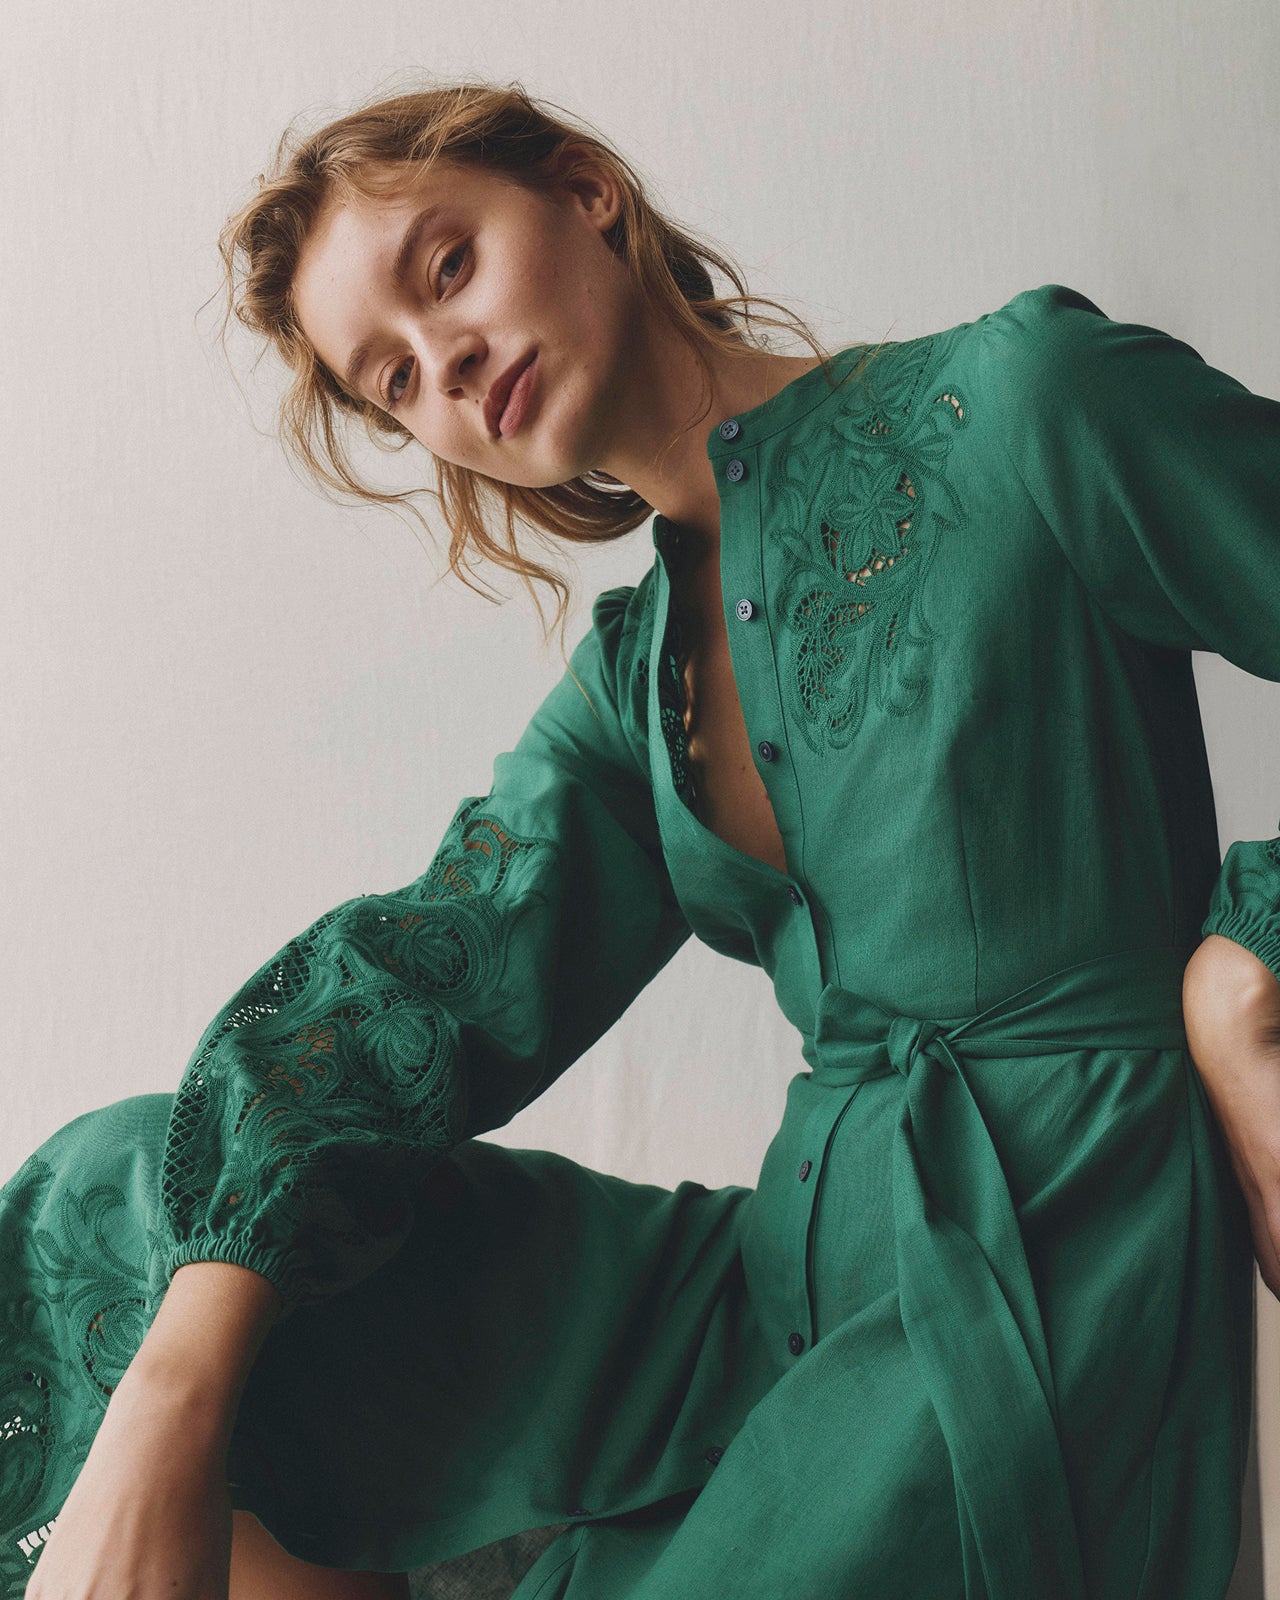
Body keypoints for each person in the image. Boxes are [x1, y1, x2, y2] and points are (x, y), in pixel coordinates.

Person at [4, 77, 1280, 1600]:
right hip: (770, 1291)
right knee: (112, 1196)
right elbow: (421, 979)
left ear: (584, 191)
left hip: (1047, 1272)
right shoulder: (639, 675)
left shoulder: (1024, 405)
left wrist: (1242, 968)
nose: (448, 367)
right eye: (394, 382)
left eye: (448, 268)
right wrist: (176, 1391)